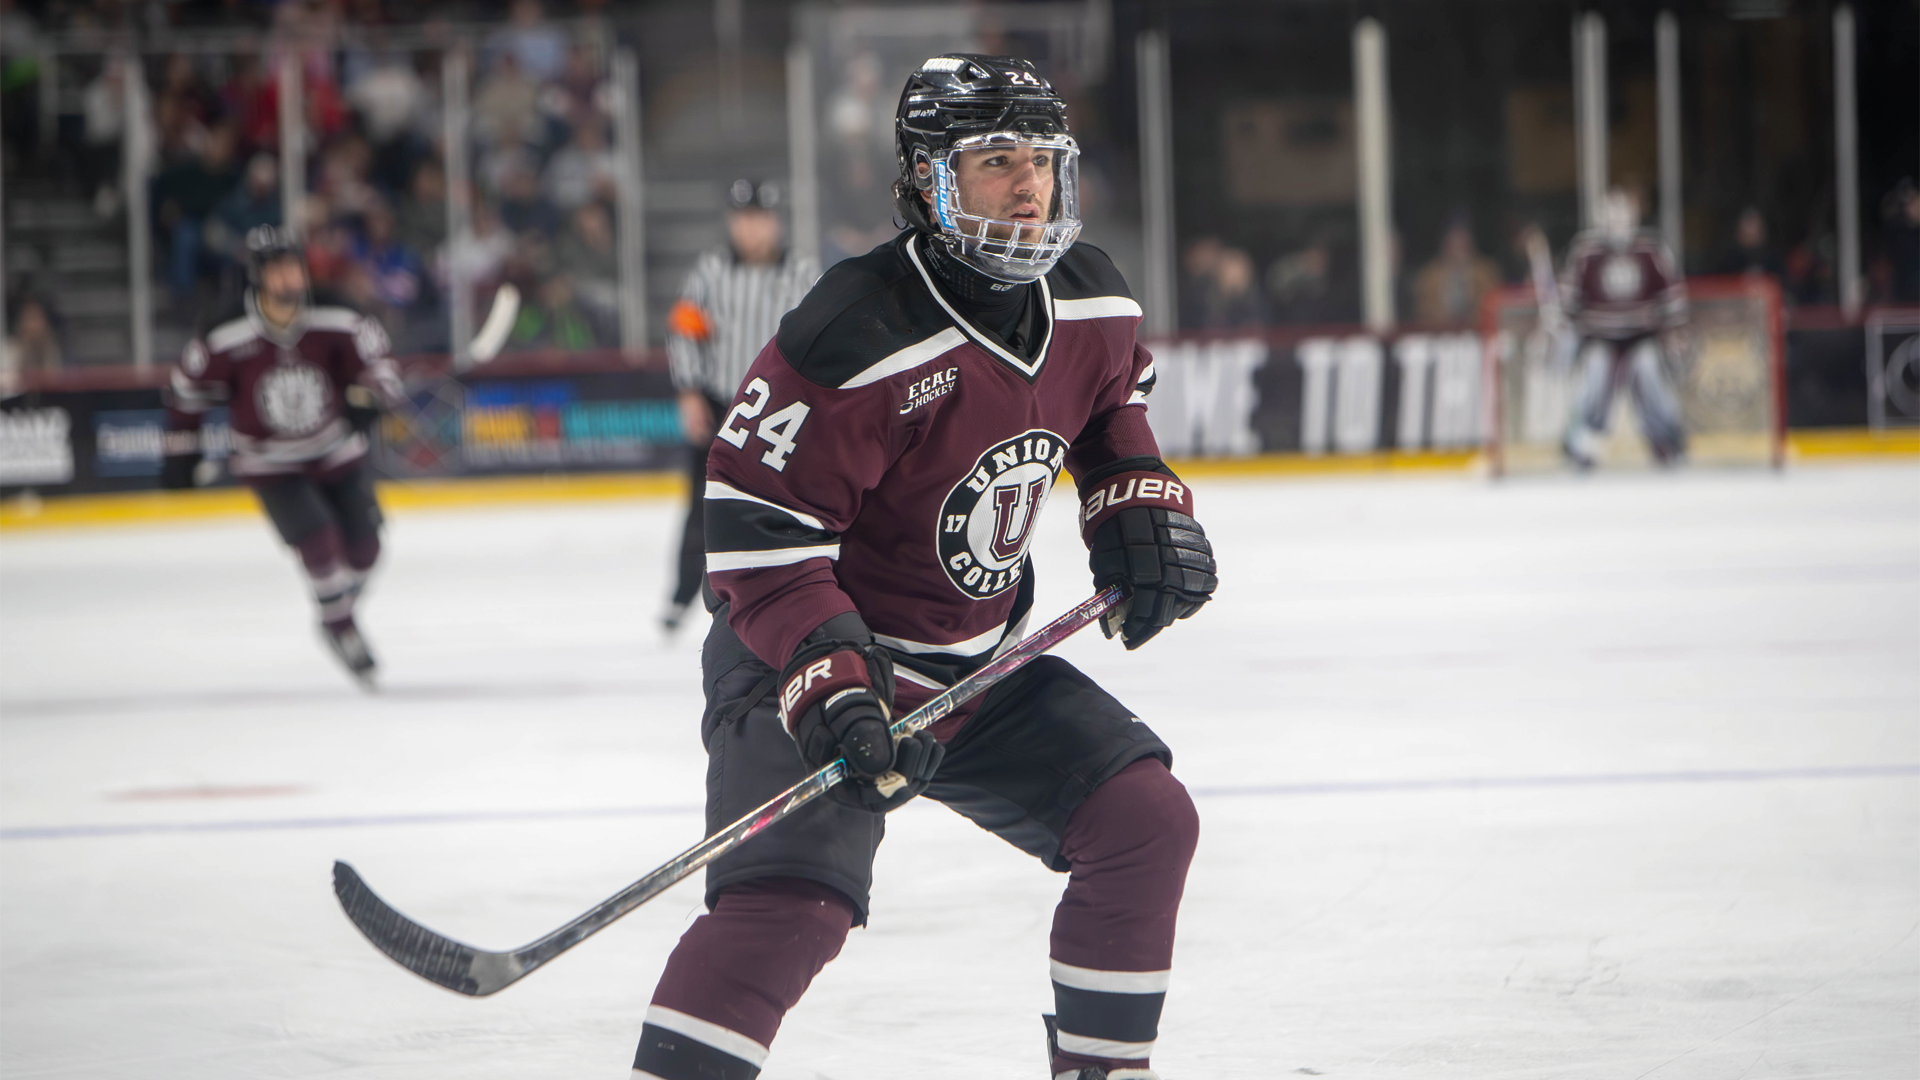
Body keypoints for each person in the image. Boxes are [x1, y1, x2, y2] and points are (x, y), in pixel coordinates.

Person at [630, 56, 1218, 1080]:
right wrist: (827, 679)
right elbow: (756, 529)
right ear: (926, 178)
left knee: (1143, 820)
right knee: (790, 904)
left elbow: (1112, 410)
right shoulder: (854, 328)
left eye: (1040, 158)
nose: (1028, 185)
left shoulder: (1091, 298)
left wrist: (1136, 500)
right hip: (808, 661)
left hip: (977, 667)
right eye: (996, 161)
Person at [160, 226, 405, 684]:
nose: (292, 277)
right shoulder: (224, 331)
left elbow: (380, 366)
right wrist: (180, 456)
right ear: (259, 277)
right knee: (320, 542)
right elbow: (186, 394)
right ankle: (340, 627)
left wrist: (369, 399)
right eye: (280, 270)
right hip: (270, 463)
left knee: (366, 550)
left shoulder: (338, 313)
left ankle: (335, 609)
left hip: (335, 451)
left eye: (295, 266)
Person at [660, 178, 819, 633]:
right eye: (744, 220)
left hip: (781, 416)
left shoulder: (803, 273)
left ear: (775, 222)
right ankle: (682, 595)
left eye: (760, 219)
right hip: (720, 408)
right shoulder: (710, 272)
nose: (752, 229)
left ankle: (786, 591)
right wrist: (689, 391)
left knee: (787, 508)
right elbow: (684, 330)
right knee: (702, 508)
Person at [1558, 187, 1690, 468]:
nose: (1616, 221)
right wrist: (1564, 330)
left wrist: (1675, 333)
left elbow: (1673, 296)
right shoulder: (1585, 250)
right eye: (1611, 215)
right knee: (1595, 374)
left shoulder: (1650, 248)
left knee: (1649, 371)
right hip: (1599, 338)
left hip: (1643, 337)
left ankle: (1666, 437)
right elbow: (1568, 301)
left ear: (1634, 216)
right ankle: (1582, 439)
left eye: (1622, 215)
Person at [1412, 215, 1500, 325]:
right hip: (1439, 334)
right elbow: (1422, 310)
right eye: (1453, 243)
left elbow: (1493, 306)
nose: (1457, 248)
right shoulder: (1428, 275)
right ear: (1444, 245)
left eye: (1462, 243)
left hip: (1476, 331)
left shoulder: (1485, 271)